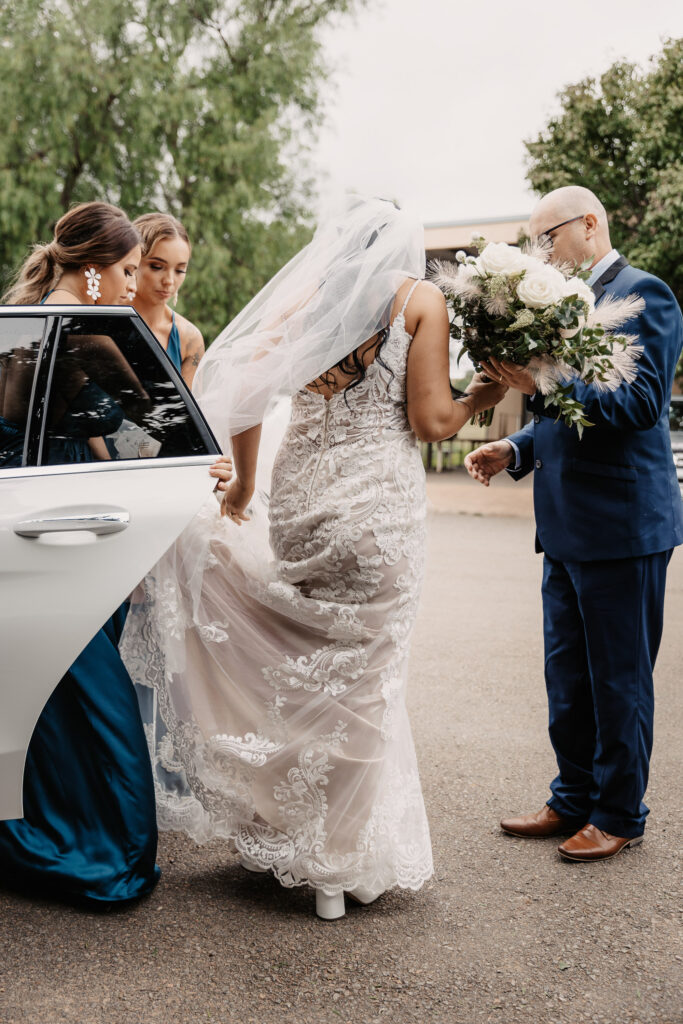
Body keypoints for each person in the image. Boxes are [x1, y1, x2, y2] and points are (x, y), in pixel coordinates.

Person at [122, 196, 507, 919]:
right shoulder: (419, 299)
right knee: (364, 681)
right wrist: (482, 392)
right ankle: (334, 868)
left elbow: (237, 398)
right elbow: (430, 422)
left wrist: (238, 487)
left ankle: (299, 841)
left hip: (301, 505)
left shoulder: (307, 302)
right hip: (374, 513)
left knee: (302, 668)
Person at [0, 202, 232, 904]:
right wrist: (204, 466)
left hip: (28, 503)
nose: (137, 283)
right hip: (70, 520)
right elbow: (160, 426)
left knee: (36, 694)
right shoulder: (95, 331)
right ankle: (100, 853)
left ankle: (36, 834)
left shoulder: (21, 315)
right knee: (94, 699)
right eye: (131, 268)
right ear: (97, 270)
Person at [465, 185, 683, 862]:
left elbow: (640, 403)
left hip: (621, 524)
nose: (540, 253)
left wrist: (541, 382)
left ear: (589, 224)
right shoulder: (560, 303)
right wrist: (516, 447)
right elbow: (562, 410)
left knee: (618, 680)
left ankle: (618, 814)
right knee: (566, 676)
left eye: (546, 237)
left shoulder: (645, 294)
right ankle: (570, 798)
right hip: (561, 523)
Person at [132, 213, 204, 386]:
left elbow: (187, 412)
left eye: (180, 270)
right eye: (157, 267)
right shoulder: (99, 317)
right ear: (132, 260)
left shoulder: (189, 339)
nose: (169, 281)